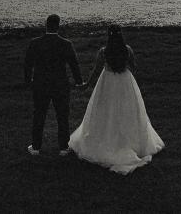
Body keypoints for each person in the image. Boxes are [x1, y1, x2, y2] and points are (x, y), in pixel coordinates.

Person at [68, 25, 164, 175]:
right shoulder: (127, 50)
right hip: (124, 81)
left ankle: (106, 138)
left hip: (107, 82)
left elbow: (96, 70)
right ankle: (129, 141)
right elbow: (133, 66)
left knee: (105, 110)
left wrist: (87, 84)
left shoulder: (103, 52)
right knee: (126, 111)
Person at [24, 14, 84, 156]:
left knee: (39, 114)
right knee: (62, 115)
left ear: (46, 25)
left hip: (41, 83)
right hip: (60, 84)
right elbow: (74, 64)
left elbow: (28, 64)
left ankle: (36, 147)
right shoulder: (66, 44)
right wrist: (78, 81)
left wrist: (28, 81)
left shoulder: (35, 43)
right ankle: (63, 147)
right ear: (58, 26)